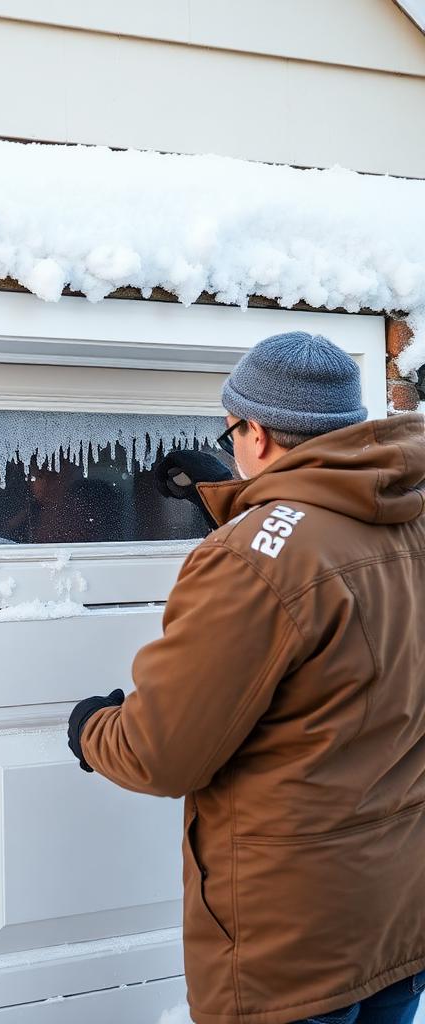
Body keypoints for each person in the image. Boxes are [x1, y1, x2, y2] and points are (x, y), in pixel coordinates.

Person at [65, 331, 425, 1024]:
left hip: (287, 939)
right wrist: (246, 508)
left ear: (254, 432)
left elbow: (159, 751)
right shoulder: (408, 520)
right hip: (394, 913)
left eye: (231, 431)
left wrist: (92, 730)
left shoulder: (251, 562)